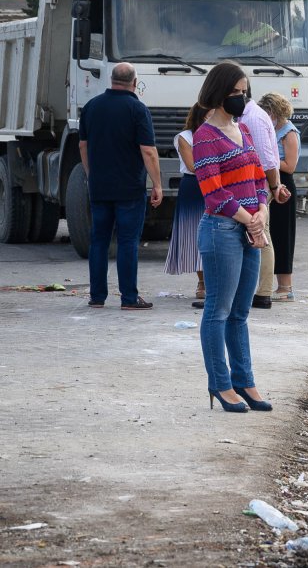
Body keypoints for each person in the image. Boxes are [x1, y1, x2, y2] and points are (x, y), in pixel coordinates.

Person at [192, 61, 272, 413]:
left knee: (241, 313)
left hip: (249, 228)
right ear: (218, 92)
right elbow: (214, 193)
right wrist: (249, 220)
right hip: (221, 230)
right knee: (218, 311)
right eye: (236, 92)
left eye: (245, 93)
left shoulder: (244, 130)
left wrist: (262, 211)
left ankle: (245, 380)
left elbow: (258, 180)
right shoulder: (204, 137)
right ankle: (220, 384)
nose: (242, 98)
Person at [79, 63, 163, 310]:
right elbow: (148, 151)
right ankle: (128, 298)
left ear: (111, 80)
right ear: (134, 83)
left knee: (99, 240)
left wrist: (90, 174)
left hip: (99, 187)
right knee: (127, 241)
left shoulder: (92, 107)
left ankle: (97, 297)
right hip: (129, 189)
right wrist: (157, 184)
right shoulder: (137, 109)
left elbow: (83, 146)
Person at [239, 86, 292, 309]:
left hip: (257, 185)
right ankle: (258, 291)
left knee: (262, 233)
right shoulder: (248, 116)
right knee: (258, 233)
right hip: (254, 184)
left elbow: (266, 160)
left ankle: (262, 292)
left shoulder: (254, 118)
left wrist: (274, 186)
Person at [258, 92, 300, 302]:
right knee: (269, 234)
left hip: (283, 184)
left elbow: (290, 166)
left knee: (283, 235)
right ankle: (271, 284)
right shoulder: (269, 129)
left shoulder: (288, 132)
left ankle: (285, 287)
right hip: (269, 183)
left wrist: (267, 161)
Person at [166, 104, 206, 307]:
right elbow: (192, 165)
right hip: (194, 186)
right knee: (195, 234)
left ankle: (212, 282)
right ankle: (202, 282)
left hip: (215, 185)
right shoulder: (186, 137)